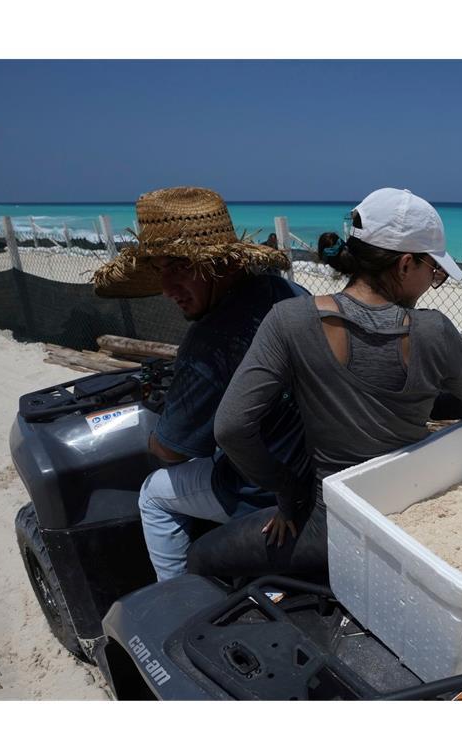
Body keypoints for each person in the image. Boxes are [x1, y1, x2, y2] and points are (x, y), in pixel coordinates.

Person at [188, 188, 462, 581]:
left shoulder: (290, 321)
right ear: (405, 265)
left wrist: (289, 490)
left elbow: (230, 429)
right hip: (410, 522)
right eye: (433, 271)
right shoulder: (434, 331)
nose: (432, 282)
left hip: (328, 530)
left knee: (200, 557)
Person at [91, 186, 312, 581]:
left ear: (223, 266)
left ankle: (176, 598)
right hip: (316, 463)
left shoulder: (211, 343)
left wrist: (154, 441)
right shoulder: (286, 291)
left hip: (264, 491)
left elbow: (172, 451)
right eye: (161, 270)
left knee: (154, 494)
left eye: (179, 267)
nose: (166, 288)